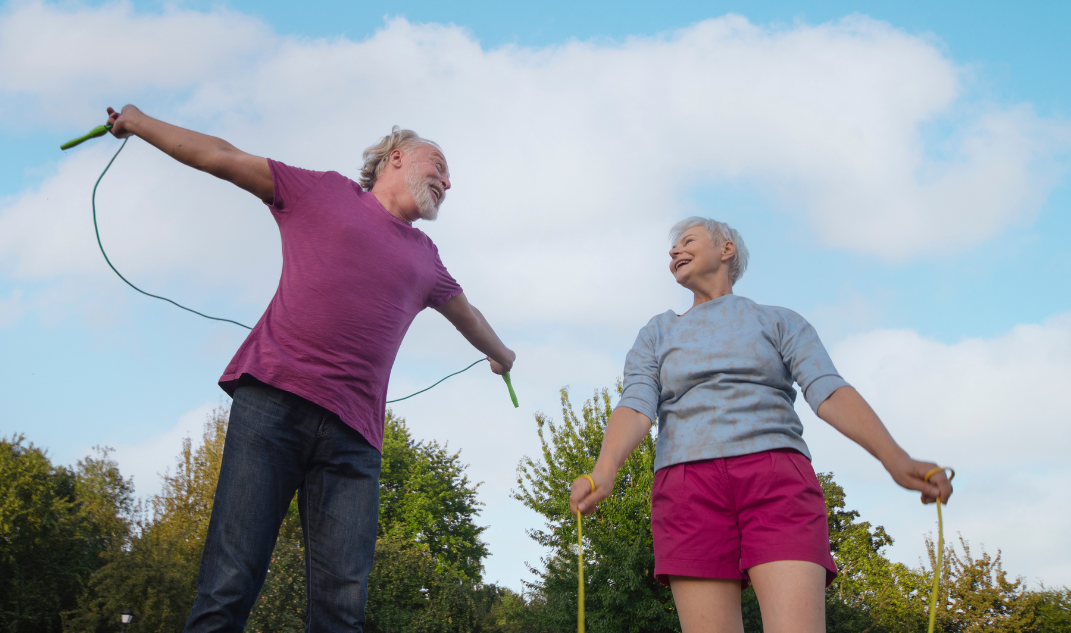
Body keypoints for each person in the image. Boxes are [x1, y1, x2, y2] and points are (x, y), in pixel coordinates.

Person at [104, 105, 516, 633]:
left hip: (354, 441)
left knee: (342, 609)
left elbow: (469, 315)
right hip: (272, 406)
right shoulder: (320, 191)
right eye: (438, 166)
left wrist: (502, 355)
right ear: (396, 158)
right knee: (229, 583)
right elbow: (221, 157)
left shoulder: (426, 257)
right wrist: (138, 123)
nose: (447, 182)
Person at [568, 217, 952, 633]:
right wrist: (604, 470)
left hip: (777, 481)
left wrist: (894, 458)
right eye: (672, 247)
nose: (674, 251)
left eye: (687, 241)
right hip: (686, 489)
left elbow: (828, 390)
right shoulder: (657, 332)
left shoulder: (780, 321)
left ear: (726, 249)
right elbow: (637, 404)